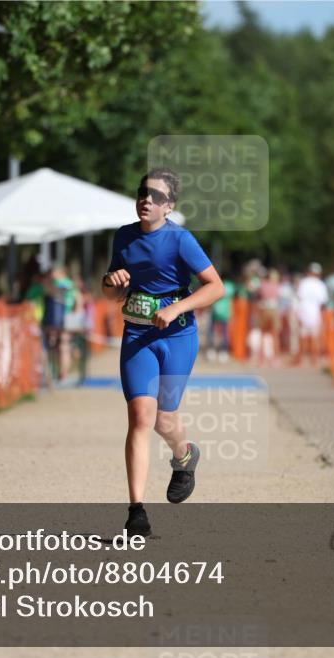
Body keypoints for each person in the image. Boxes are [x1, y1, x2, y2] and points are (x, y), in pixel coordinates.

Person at [101, 167, 225, 537]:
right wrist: (111, 282)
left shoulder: (181, 240)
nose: (146, 200)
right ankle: (136, 511)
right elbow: (111, 292)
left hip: (177, 338)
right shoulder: (124, 237)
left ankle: (184, 455)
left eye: (156, 196)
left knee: (162, 421)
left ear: (168, 206)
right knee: (141, 416)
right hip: (138, 336)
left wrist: (176, 308)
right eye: (142, 193)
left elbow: (215, 287)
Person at [295, 262, 329, 367]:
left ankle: (300, 359)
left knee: (303, 336)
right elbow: (323, 301)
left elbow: (299, 297)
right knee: (315, 337)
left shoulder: (304, 282)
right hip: (315, 313)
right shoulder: (320, 284)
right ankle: (314, 360)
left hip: (304, 312)